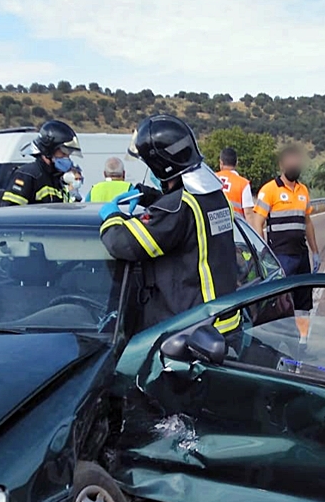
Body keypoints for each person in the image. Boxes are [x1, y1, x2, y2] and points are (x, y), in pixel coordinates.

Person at [99, 115, 240, 336]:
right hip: (223, 320)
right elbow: (183, 220)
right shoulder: (213, 196)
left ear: (160, 165)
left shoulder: (178, 208)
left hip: (191, 328)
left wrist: (112, 217)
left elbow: (123, 243)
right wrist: (151, 196)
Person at [249, 146, 318, 343]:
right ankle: (282, 342)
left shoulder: (303, 190)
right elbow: (257, 222)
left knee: (303, 302)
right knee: (282, 301)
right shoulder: (269, 190)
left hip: (301, 255)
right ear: (282, 165)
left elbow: (308, 222)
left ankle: (302, 342)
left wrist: (314, 251)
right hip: (281, 256)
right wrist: (264, 253)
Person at [0, 119, 82, 206]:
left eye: (68, 154)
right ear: (49, 151)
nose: (67, 158)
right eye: (63, 153)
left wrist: (73, 194)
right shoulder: (28, 176)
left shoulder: (57, 179)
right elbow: (10, 212)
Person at [215, 147, 253, 217]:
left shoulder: (211, 178)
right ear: (236, 163)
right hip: (236, 225)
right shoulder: (243, 184)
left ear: (221, 162)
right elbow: (248, 213)